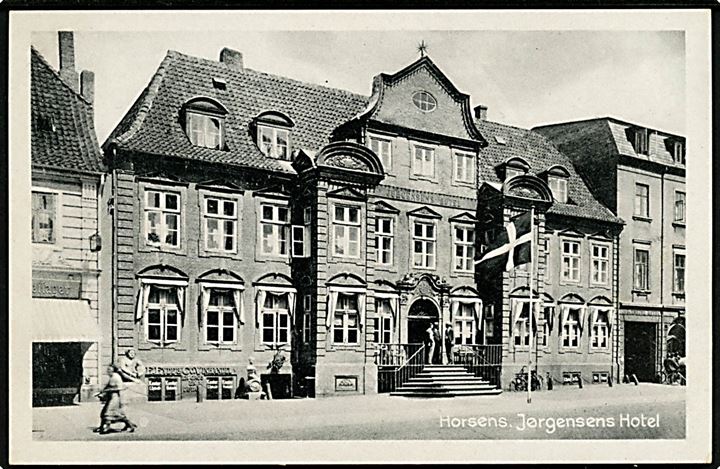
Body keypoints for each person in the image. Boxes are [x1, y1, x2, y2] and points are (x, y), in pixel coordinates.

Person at [94, 364, 137, 434]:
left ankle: (107, 427)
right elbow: (107, 387)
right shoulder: (111, 377)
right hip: (110, 397)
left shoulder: (116, 377)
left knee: (108, 413)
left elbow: (118, 388)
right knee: (104, 412)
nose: (108, 371)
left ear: (113, 370)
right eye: (108, 370)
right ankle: (102, 426)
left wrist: (106, 391)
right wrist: (100, 393)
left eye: (110, 370)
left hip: (115, 398)